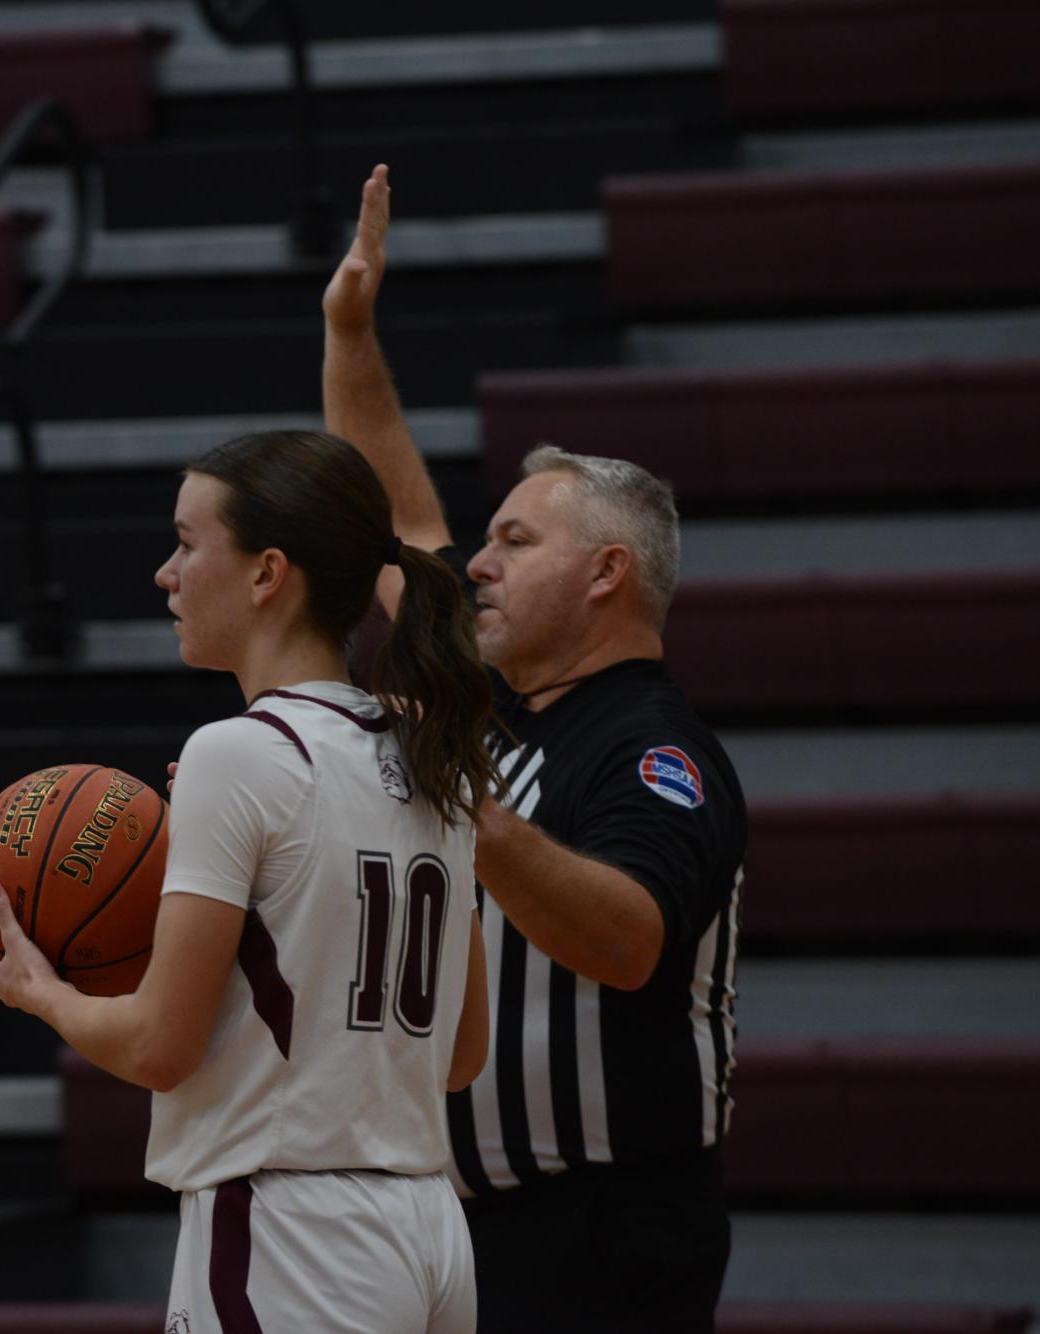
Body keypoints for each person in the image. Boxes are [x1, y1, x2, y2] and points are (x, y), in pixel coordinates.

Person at [323, 166, 749, 1334]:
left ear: (608, 571)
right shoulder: (489, 699)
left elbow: (626, 941)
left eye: (516, 537)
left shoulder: (662, 751)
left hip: (610, 1238)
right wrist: (350, 333)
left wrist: (465, 805)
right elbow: (400, 518)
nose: (482, 561)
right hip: (463, 1223)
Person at [0, 428, 499, 1333]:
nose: (164, 574)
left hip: (292, 1233)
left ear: (267, 574)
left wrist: (39, 992)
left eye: (185, 541)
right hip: (429, 1230)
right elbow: (460, 1052)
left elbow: (156, 1049)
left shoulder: (235, 753)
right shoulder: (426, 748)